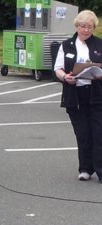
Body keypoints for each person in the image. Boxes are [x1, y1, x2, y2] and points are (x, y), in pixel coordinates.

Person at [54, 10, 102, 183]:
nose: (86, 30)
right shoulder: (67, 45)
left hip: (96, 94)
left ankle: (100, 170)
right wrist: (65, 77)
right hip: (74, 94)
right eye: (83, 26)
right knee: (83, 133)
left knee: (99, 133)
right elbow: (58, 68)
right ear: (76, 26)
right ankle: (85, 169)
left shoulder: (99, 44)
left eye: (90, 27)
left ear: (94, 28)